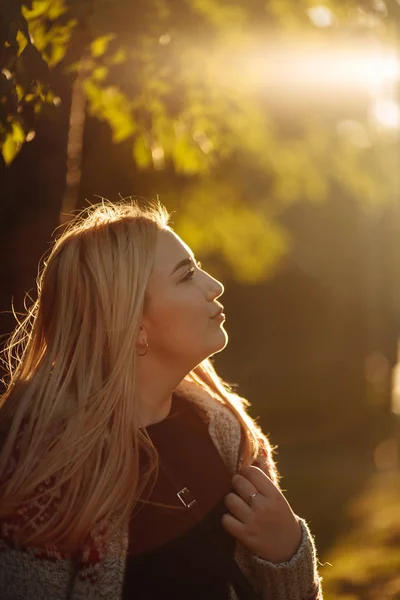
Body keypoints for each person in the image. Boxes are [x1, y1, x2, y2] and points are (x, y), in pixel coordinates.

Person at [0, 200, 323, 599]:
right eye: (186, 275)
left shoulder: (228, 435)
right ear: (134, 323)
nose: (214, 285)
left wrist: (287, 554)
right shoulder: (44, 470)